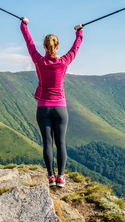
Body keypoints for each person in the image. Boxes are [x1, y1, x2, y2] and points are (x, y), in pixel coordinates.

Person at [20, 17, 83, 188]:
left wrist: (24, 24)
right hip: (60, 108)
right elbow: (75, 48)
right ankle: (61, 177)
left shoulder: (39, 61)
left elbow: (29, 42)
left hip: (43, 108)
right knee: (60, 143)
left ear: (44, 46)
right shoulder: (63, 62)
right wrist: (79, 32)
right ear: (57, 46)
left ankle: (50, 176)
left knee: (47, 143)